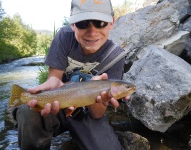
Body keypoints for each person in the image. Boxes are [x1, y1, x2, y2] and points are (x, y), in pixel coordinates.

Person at [12, 0, 130, 149]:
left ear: (112, 22)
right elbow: (54, 79)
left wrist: (97, 96)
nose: (92, 31)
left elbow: (97, 114)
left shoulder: (116, 56)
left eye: (100, 23)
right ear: (72, 24)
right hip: (58, 105)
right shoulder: (64, 37)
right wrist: (52, 81)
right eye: (82, 23)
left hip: (88, 114)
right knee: (27, 110)